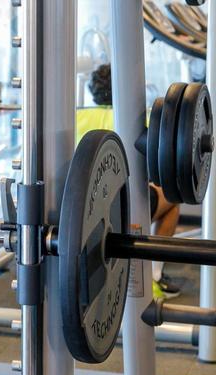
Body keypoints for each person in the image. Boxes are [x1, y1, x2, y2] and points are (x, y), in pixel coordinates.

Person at [77, 63, 182, 298]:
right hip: (122, 207)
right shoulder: (133, 120)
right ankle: (154, 276)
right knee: (171, 200)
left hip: (81, 211)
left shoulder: (77, 116)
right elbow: (150, 166)